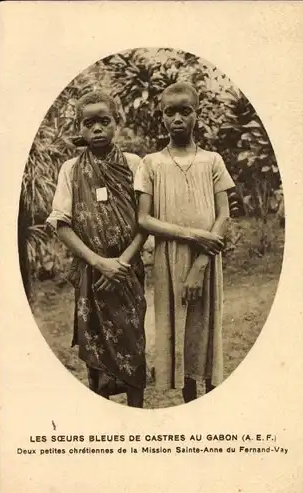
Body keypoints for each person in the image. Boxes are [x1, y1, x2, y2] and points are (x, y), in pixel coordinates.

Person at [134, 82, 235, 403]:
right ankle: (189, 398)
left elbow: (224, 216)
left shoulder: (213, 160)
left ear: (197, 114)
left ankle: (209, 397)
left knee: (204, 328)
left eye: (185, 111)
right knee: (177, 329)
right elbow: (144, 219)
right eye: (170, 112)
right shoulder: (151, 163)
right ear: (160, 116)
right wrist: (194, 236)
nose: (177, 118)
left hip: (208, 259)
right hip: (169, 258)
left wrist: (202, 262)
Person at [46, 90, 147, 407]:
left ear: (117, 122)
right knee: (94, 347)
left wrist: (121, 263)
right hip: (92, 273)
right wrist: (99, 262)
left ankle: (136, 411)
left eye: (105, 121)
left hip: (128, 272)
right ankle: (99, 409)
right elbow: (61, 223)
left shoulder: (134, 164)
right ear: (79, 127)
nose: (97, 129)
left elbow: (145, 222)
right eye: (89, 123)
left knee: (133, 342)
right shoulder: (70, 169)